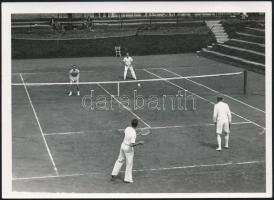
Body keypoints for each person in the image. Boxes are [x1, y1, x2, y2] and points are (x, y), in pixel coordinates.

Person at [111, 119, 144, 183]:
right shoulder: (134, 133)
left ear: (131, 123)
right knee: (129, 164)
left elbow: (127, 133)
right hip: (128, 149)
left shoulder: (127, 128)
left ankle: (114, 173)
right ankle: (127, 179)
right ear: (137, 125)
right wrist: (139, 142)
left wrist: (135, 133)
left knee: (120, 160)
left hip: (123, 146)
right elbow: (132, 144)